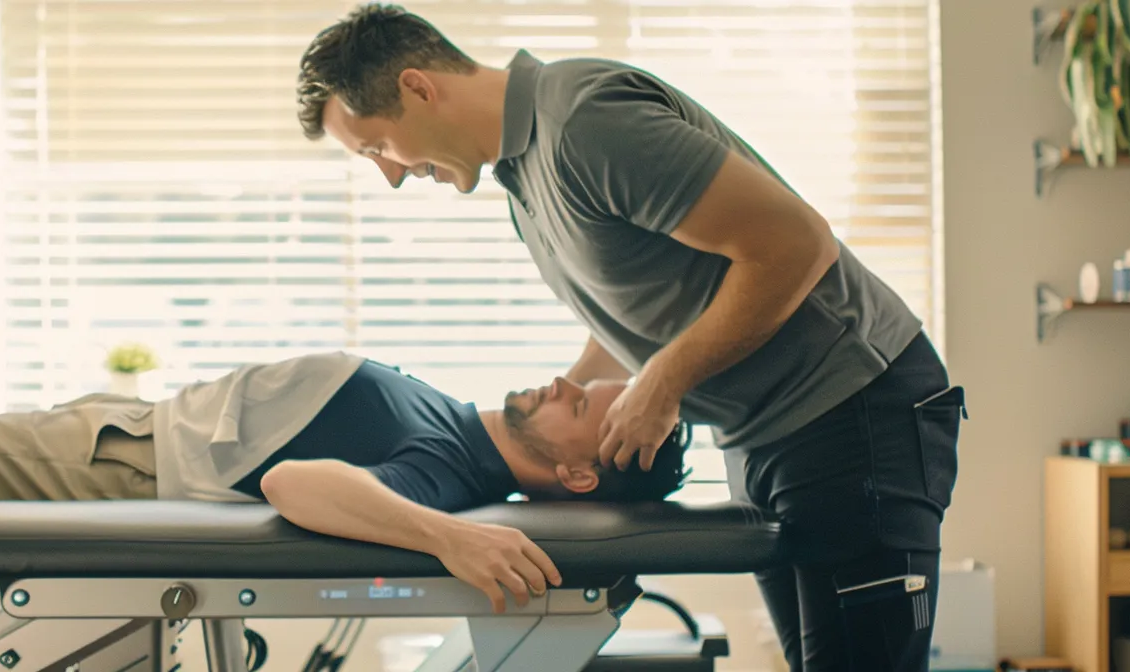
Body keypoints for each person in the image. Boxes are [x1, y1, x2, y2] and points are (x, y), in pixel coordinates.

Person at [293, 5, 966, 671]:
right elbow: (639, 317)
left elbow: (796, 245)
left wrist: (664, 383)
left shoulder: (586, 122)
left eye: (377, 146)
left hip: (851, 412)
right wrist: (552, 423)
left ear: (418, 88)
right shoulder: (523, 179)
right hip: (766, 436)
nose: (388, 173)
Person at [0, 350, 688, 613]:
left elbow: (299, 484)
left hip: (115, 461)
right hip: (121, 428)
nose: (565, 382)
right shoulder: (458, 429)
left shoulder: (443, 475)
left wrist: (449, 538)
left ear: (571, 471)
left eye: (583, 405)